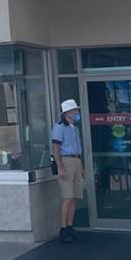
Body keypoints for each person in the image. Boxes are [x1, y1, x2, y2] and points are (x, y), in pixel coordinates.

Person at [51, 99, 84, 243]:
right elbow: (56, 149)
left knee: (74, 196)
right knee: (67, 197)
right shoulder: (60, 127)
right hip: (65, 161)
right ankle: (63, 229)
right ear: (67, 112)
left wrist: (81, 167)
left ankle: (70, 226)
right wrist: (60, 167)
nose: (76, 112)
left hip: (76, 160)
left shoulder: (74, 128)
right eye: (74, 110)